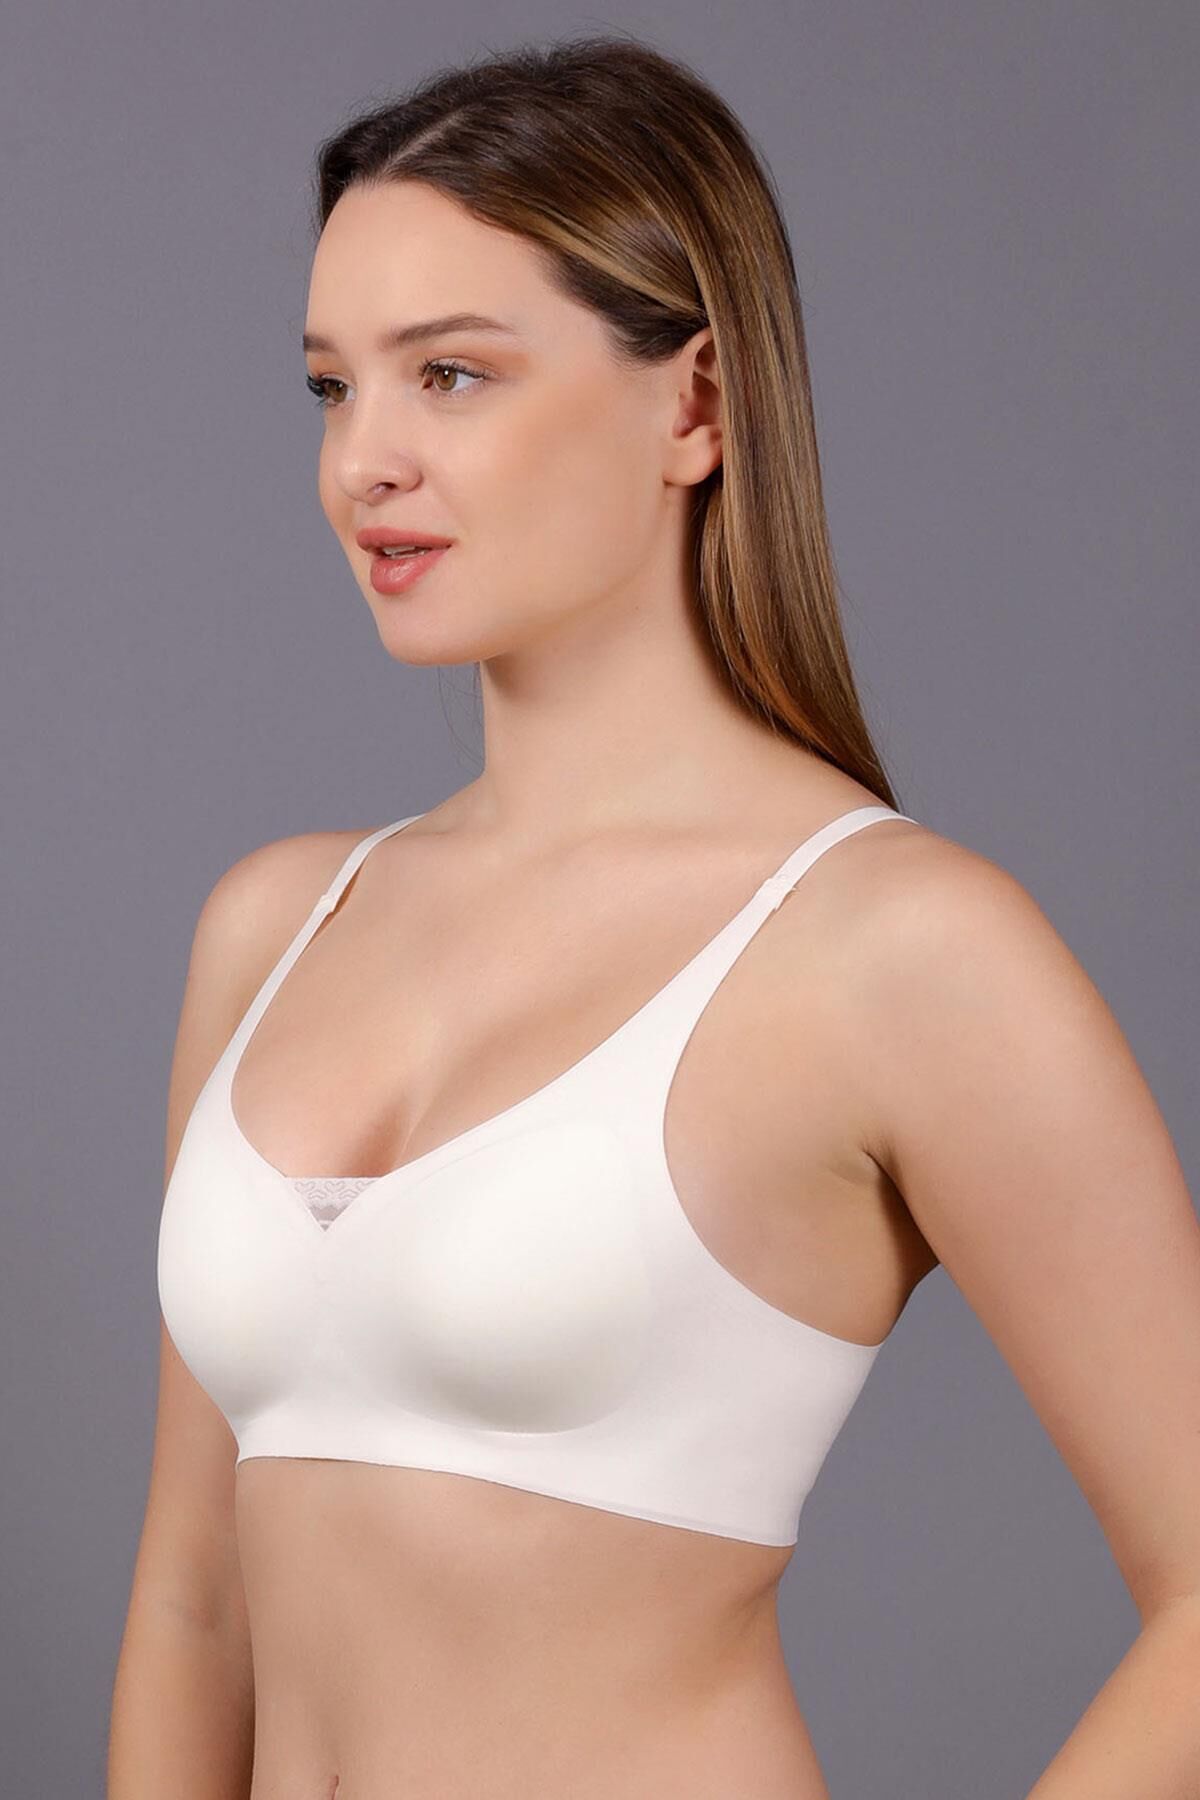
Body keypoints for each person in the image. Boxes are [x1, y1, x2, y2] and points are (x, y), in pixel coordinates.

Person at [108, 33, 1200, 1800]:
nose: (363, 459)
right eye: (331, 386)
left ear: (695, 406)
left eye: (450, 375)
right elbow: (193, 1605)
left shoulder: (894, 950)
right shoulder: (275, 923)